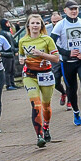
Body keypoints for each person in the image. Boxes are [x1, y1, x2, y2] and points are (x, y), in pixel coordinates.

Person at [18, 14, 60, 148]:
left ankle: (46, 127)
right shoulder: (22, 41)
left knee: (46, 106)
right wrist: (21, 60)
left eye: (37, 23)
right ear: (28, 26)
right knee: (36, 105)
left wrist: (41, 54)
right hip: (29, 75)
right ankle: (39, 135)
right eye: (33, 23)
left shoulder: (47, 40)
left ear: (41, 26)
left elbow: (56, 58)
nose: (35, 26)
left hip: (46, 74)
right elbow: (21, 55)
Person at [51, 0, 81, 126]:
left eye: (76, 8)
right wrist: (66, 53)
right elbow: (52, 43)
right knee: (72, 89)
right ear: (65, 11)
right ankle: (76, 112)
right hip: (67, 62)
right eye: (71, 9)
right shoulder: (60, 25)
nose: (74, 11)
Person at [48, 11, 69, 109]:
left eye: (58, 21)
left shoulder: (66, 27)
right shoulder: (48, 30)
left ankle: (70, 100)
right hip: (55, 59)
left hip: (66, 57)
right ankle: (63, 93)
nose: (56, 23)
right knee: (55, 82)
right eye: (54, 22)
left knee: (68, 80)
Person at [0, 19, 19, 89]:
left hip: (11, 54)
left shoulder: (8, 33)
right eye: (7, 23)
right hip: (6, 55)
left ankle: (12, 83)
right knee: (8, 70)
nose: (9, 24)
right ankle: (8, 85)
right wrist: (14, 50)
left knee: (12, 70)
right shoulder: (3, 33)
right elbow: (7, 46)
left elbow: (14, 43)